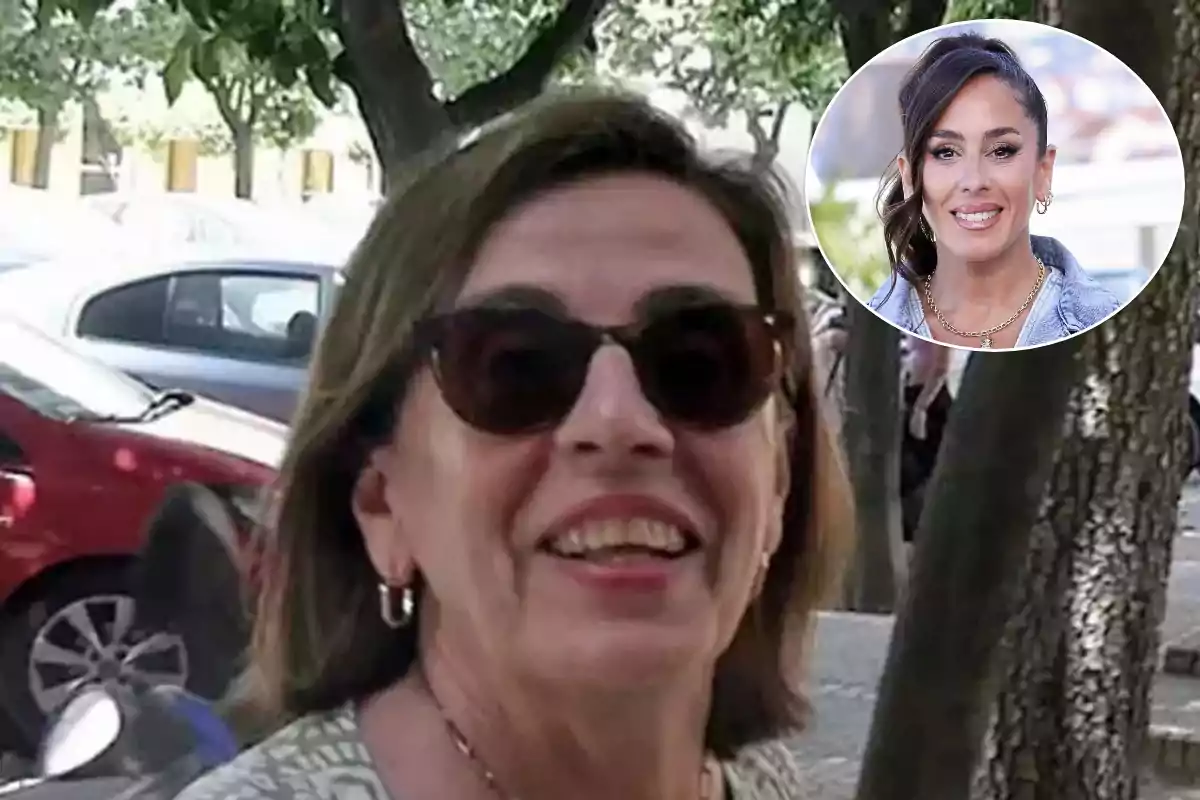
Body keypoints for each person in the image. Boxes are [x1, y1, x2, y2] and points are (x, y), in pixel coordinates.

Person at [175, 91, 854, 800]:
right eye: (516, 366)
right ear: (382, 507)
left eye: (700, 362)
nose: (619, 422)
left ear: (777, 482)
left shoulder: (766, 784)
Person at [868, 32, 1119, 349]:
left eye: (1001, 150)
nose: (974, 180)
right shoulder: (867, 331)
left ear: (1043, 171)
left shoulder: (1107, 326)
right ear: (909, 178)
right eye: (946, 152)